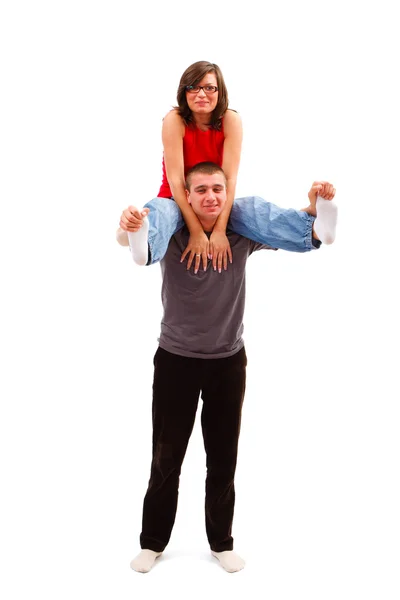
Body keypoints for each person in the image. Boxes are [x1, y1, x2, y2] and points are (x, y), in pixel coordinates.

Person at [126, 162, 336, 573]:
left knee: (223, 458)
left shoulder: (239, 233)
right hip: (176, 361)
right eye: (200, 189)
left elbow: (282, 230)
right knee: (166, 458)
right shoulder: (172, 233)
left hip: (227, 362)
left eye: (218, 189)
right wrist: (131, 226)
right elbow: (127, 238)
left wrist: (312, 210)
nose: (210, 197)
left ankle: (221, 542)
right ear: (186, 197)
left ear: (227, 192)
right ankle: (152, 542)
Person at [116, 60, 337, 272]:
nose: (201, 94)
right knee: (162, 211)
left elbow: (229, 179)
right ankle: (142, 246)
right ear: (184, 92)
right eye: (193, 87)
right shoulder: (174, 120)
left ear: (220, 92)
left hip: (216, 202)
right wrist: (196, 232)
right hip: (177, 198)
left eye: (209, 88)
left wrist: (220, 230)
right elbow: (176, 181)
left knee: (252, 209)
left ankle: (315, 230)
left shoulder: (231, 120)